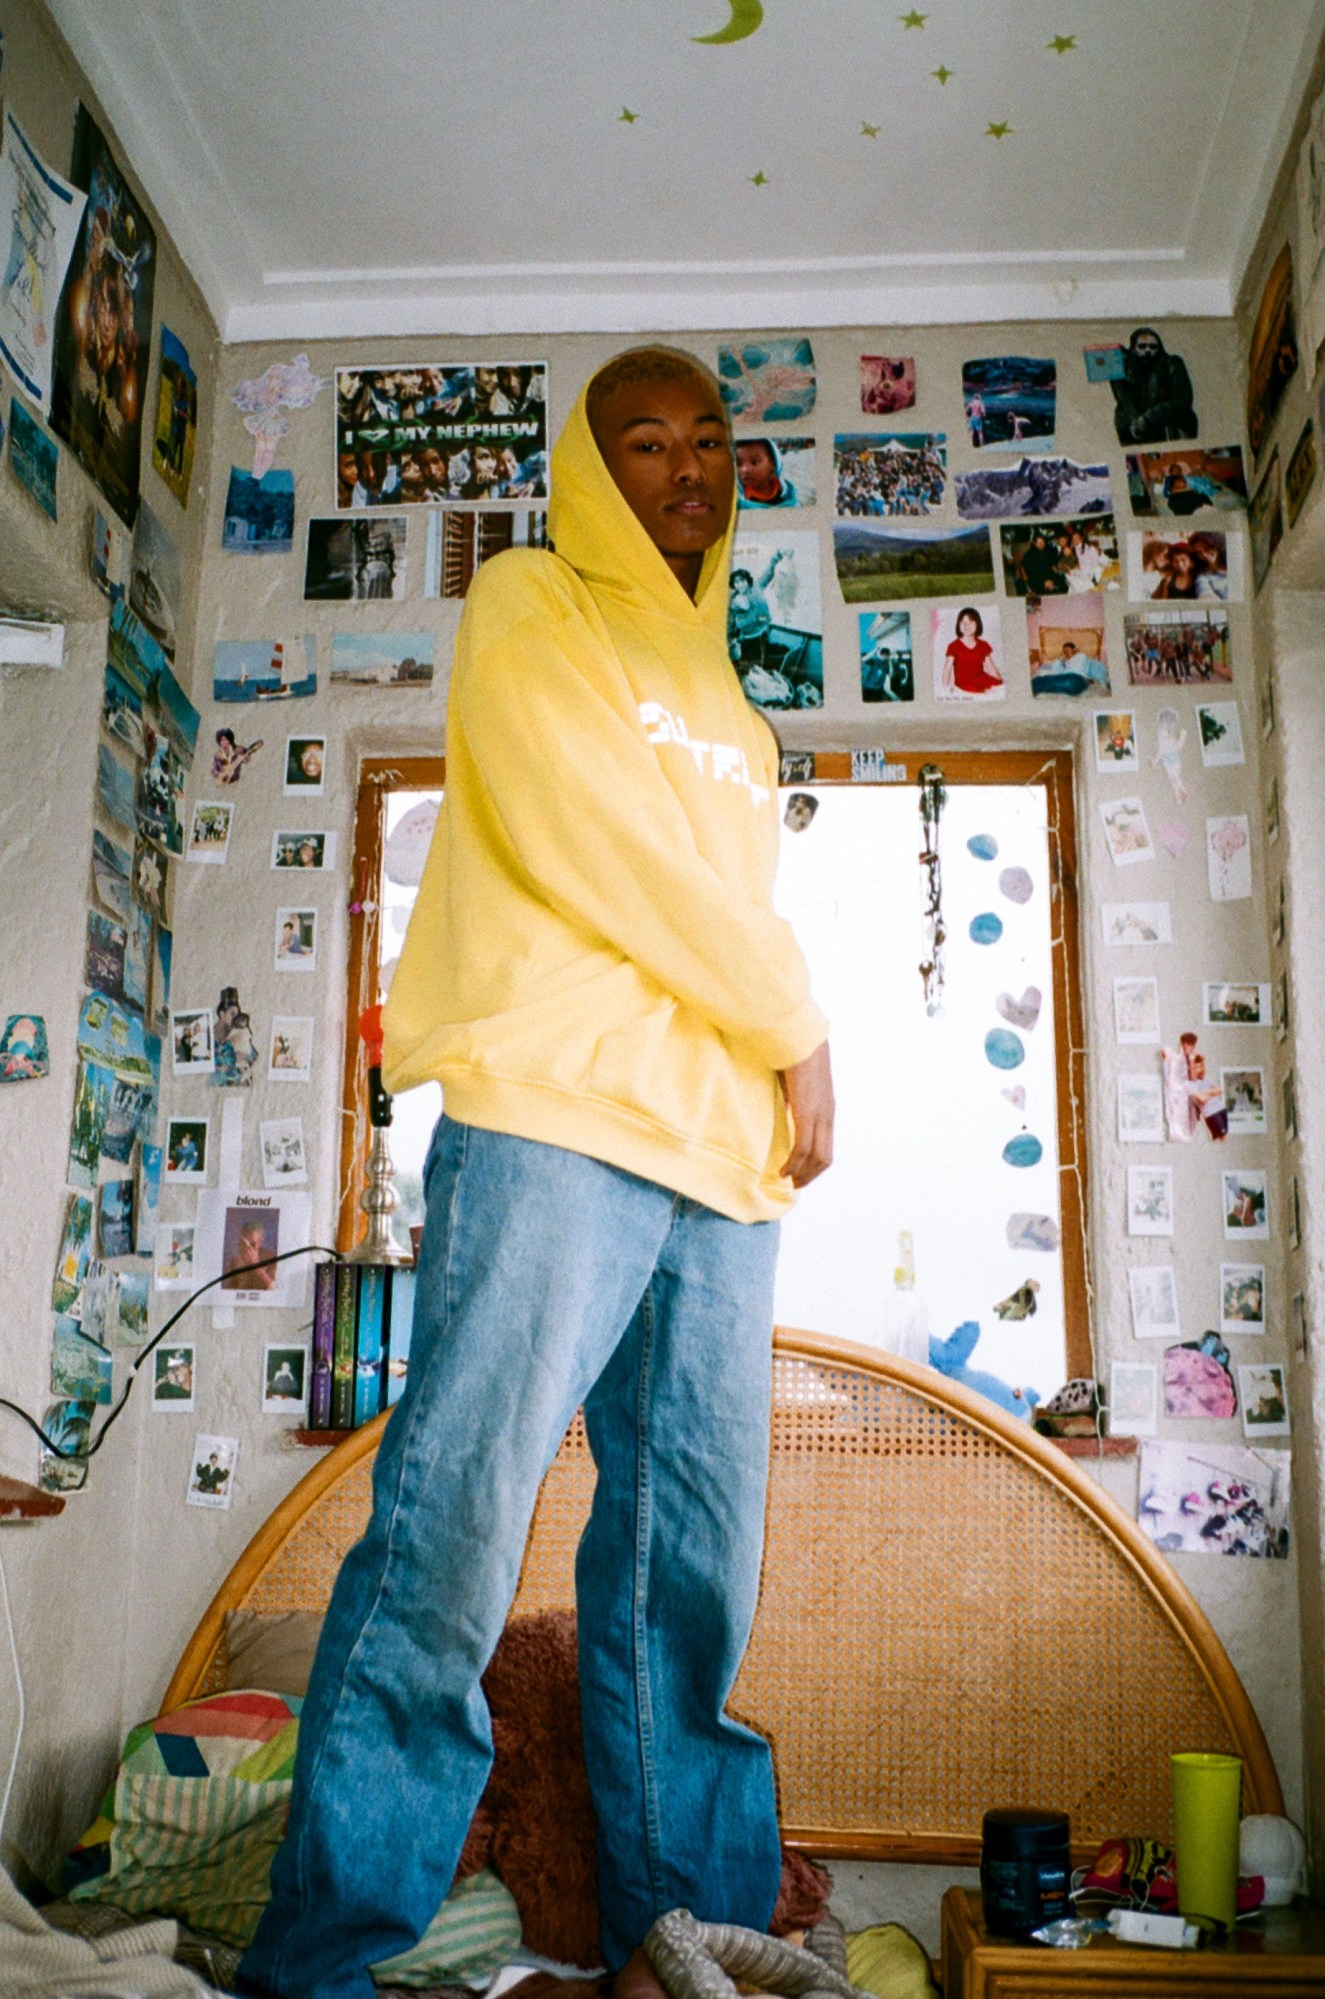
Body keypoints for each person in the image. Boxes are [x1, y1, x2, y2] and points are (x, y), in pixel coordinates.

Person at [238, 346, 832, 1999]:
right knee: (453, 1530)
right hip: (554, 1111)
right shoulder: (526, 602)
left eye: (710, 440)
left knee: (687, 1572)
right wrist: (804, 1029)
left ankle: (690, 1947)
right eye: (644, 441)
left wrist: (764, 1080)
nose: (686, 467)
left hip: (718, 1160)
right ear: (589, 468)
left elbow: (722, 910)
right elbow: (597, 839)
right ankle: (325, 1957)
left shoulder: (729, 696)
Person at [1110, 327, 1198, 444]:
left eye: (1153, 346)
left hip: (1167, 431)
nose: (1147, 350)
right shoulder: (1129, 370)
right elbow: (1124, 399)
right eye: (1142, 346)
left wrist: (1149, 419)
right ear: (1134, 348)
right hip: (1136, 436)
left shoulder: (1171, 364)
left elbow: (1181, 401)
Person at [942, 605, 1003, 696]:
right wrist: (944, 689)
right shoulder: (953, 646)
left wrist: (999, 682)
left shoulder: (983, 645)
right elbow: (947, 670)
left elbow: (991, 668)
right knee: (981, 692)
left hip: (980, 678)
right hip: (964, 683)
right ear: (958, 625)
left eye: (970, 622)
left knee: (998, 686)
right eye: (963, 623)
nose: (967, 626)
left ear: (977, 624)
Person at [735, 437, 797, 507]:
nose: (745, 470)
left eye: (754, 462)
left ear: (773, 465)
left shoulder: (786, 490)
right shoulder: (738, 498)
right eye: (739, 464)